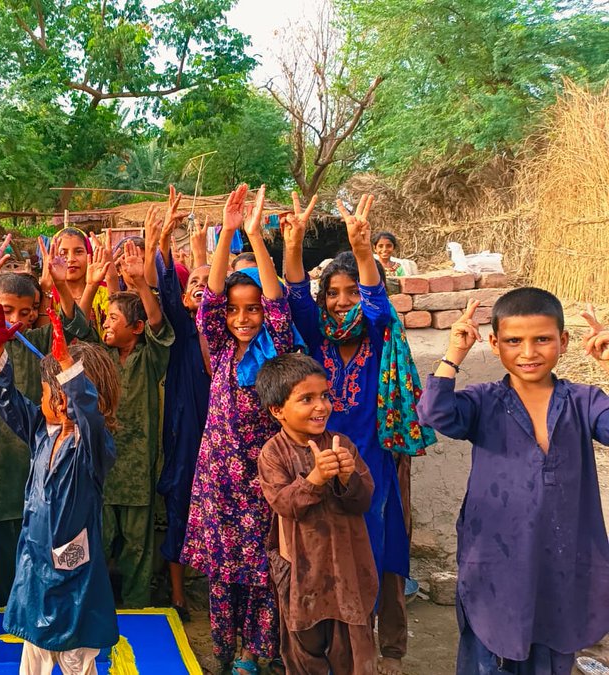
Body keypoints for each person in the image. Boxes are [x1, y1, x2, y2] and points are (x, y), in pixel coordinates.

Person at [283, 194, 436, 675]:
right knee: (328, 557)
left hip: (373, 465)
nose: (342, 301)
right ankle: (336, 648)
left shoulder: (377, 332)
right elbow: (290, 296)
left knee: (375, 552)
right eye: (332, 292)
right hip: (320, 468)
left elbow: (375, 302)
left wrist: (363, 250)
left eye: (350, 291)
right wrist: (293, 244)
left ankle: (380, 647)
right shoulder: (317, 336)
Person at [418, 291, 609, 675]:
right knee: (491, 653)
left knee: (553, 651)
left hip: (563, 558)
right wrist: (453, 353)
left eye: (542, 339)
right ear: (494, 344)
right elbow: (434, 412)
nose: (529, 352)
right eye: (513, 341)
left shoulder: (583, 400)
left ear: (564, 341)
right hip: (495, 560)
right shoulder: (483, 400)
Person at [181, 184, 295, 674]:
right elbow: (208, 300)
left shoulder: (278, 352)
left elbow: (277, 300)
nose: (243, 317)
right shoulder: (223, 348)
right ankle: (225, 648)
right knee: (223, 571)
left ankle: (252, 650)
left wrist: (256, 237)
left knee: (257, 571)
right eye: (234, 309)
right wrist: (225, 233)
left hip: (258, 482)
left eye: (251, 310)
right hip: (217, 482)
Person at [0, 303, 121, 675]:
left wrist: (68, 370)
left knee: (76, 660)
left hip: (74, 581)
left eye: (45, 393)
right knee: (33, 658)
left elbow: (87, 416)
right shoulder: (43, 431)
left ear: (65, 400)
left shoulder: (94, 448)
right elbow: (7, 402)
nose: (39, 401)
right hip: (36, 571)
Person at [0, 239, 95, 606]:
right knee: (2, 553)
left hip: (41, 461)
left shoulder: (43, 339)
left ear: (35, 312)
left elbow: (74, 325)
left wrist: (61, 286)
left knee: (44, 548)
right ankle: (4, 612)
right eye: (6, 311)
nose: (14, 320)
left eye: (24, 312)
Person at [256, 353, 379, 674]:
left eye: (324, 396)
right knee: (304, 651)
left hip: (347, 567)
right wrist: (314, 480)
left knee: (351, 650)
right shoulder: (273, 454)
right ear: (277, 410)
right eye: (306, 399)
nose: (321, 406)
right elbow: (284, 504)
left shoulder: (342, 445)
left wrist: (347, 477)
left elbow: (364, 500)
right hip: (301, 571)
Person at [94, 238, 173, 609]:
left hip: (139, 472)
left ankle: (137, 607)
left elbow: (157, 322)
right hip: (104, 471)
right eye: (106, 318)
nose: (106, 325)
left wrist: (141, 284)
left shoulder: (150, 357)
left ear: (136, 328)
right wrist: (109, 280)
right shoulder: (102, 357)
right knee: (100, 539)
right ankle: (97, 604)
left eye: (113, 320)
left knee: (138, 549)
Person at [152, 193, 211, 621]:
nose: (199, 291)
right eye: (195, 284)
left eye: (209, 287)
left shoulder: (229, 338)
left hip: (221, 435)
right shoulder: (179, 327)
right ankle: (176, 592)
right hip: (184, 428)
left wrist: (206, 255)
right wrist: (167, 234)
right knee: (179, 502)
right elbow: (167, 282)